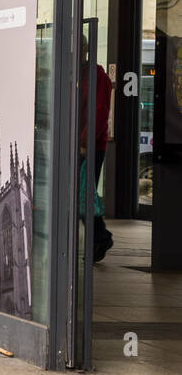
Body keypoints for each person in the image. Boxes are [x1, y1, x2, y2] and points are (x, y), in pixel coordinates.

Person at [80, 36, 114, 262]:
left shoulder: (98, 77)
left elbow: (99, 113)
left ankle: (100, 237)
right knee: (79, 194)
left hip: (88, 147)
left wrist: (84, 142)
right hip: (72, 144)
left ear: (86, 50)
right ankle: (98, 237)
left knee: (83, 194)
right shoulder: (71, 74)